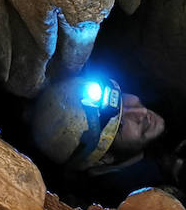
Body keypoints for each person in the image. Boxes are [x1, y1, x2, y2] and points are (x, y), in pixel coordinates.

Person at [28, 74, 166, 173]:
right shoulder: (120, 203)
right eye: (121, 125)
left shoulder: (155, 88)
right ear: (106, 158)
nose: (141, 111)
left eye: (123, 100)